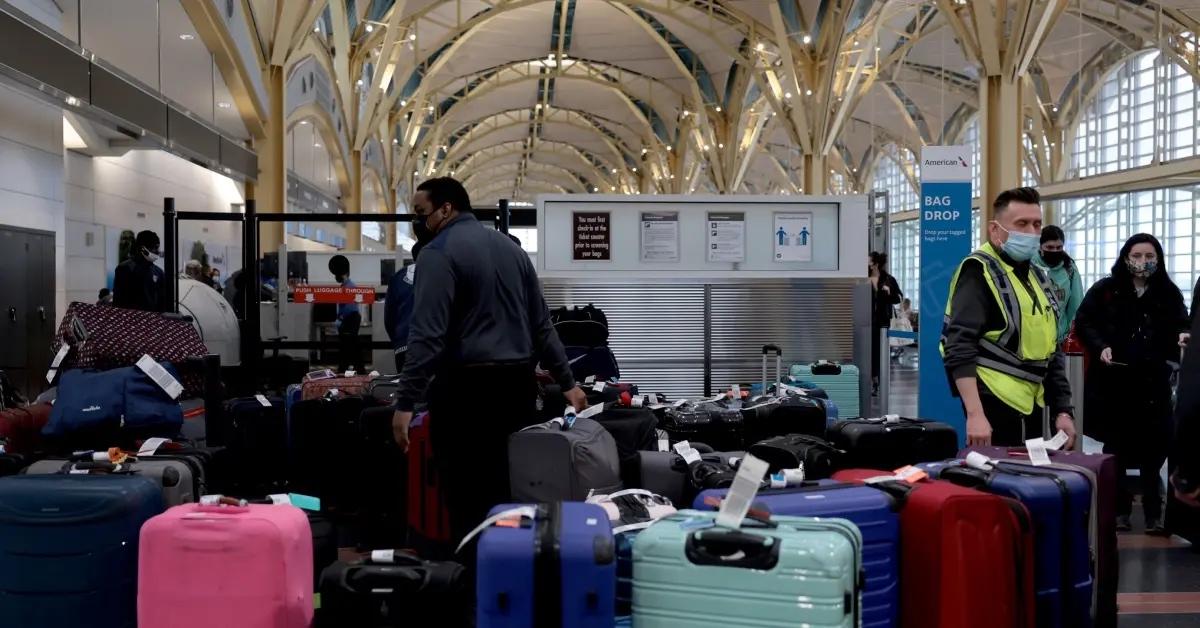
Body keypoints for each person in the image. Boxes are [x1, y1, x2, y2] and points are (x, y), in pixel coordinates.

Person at [389, 176, 586, 549]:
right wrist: (568, 383)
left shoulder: (438, 254)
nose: (418, 222)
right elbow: (543, 325)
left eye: (420, 213)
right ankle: (511, 574)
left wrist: (405, 403)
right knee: (509, 487)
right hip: (517, 390)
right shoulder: (512, 251)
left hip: (465, 393)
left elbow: (427, 338)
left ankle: (474, 586)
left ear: (446, 209)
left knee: (466, 498)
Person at [942, 187, 1077, 448]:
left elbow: (1052, 350)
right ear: (995, 230)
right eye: (1021, 224)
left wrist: (1063, 410)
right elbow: (959, 345)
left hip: (1032, 403)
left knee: (1028, 481)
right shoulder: (978, 272)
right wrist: (975, 414)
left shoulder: (1038, 277)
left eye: (1037, 224)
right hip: (992, 402)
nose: (1031, 232)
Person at [1074, 234, 1189, 533]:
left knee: (1155, 448)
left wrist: (1180, 340)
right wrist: (1100, 346)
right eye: (1136, 255)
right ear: (1125, 257)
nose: (1143, 262)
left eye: (1149, 256)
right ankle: (1119, 510)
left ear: (1159, 259)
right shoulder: (1106, 290)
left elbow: (1182, 324)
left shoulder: (1167, 293)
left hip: (1154, 383)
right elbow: (1084, 321)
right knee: (1117, 447)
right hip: (1115, 381)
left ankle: (1154, 512)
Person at [1034, 226, 1084, 343]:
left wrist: (1071, 334)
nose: (1054, 251)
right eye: (1050, 247)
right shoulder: (1029, 265)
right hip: (1034, 338)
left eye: (1059, 247)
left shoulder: (1070, 268)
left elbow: (1076, 304)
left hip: (1059, 339)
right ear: (1041, 247)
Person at [383, 240, 426, 373]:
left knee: (406, 388)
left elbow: (389, 317)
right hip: (431, 345)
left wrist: (397, 340)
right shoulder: (440, 274)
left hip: (403, 344)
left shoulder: (398, 277)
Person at [869, 252, 902, 393]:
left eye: (869, 260)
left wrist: (888, 294)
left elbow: (899, 298)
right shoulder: (863, 278)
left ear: (875, 263)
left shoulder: (888, 279)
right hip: (866, 321)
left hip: (882, 322)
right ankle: (871, 380)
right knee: (869, 353)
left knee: (879, 353)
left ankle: (878, 382)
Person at [112, 230, 165, 312]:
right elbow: (118, 301)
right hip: (131, 320)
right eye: (155, 247)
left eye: (158, 248)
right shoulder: (125, 268)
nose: (158, 252)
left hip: (152, 320)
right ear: (143, 249)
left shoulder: (158, 272)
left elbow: (161, 302)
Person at [328, 255, 362, 373]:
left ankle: (346, 371)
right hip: (348, 319)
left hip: (350, 319)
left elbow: (350, 307)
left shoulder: (349, 286)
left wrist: (341, 319)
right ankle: (347, 370)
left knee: (348, 348)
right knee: (350, 348)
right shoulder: (345, 286)